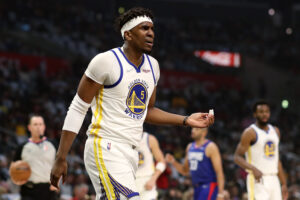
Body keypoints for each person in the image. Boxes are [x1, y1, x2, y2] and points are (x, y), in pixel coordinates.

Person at [50, 7, 214, 200]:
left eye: (152, 29)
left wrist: (186, 120)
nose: (151, 33)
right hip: (105, 146)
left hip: (131, 152)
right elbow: (78, 108)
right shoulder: (105, 61)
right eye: (144, 28)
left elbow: (148, 111)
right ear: (128, 34)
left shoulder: (153, 66)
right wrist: (61, 157)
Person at [233, 100, 288, 200]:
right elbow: (237, 157)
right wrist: (253, 169)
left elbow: (276, 160)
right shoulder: (250, 132)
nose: (264, 114)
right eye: (261, 112)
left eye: (267, 111)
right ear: (255, 114)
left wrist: (283, 183)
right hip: (258, 180)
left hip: (274, 179)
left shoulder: (275, 131)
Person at [166, 128, 225, 200]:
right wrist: (173, 162)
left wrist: (220, 194)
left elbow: (219, 172)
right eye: (192, 128)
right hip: (196, 187)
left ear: (204, 132)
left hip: (208, 185)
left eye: (196, 129)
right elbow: (185, 171)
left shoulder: (211, 147)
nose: (193, 130)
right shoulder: (190, 147)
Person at [10, 115, 57, 200]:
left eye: (40, 124)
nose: (38, 127)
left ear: (44, 127)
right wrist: (17, 178)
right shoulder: (22, 147)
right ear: (29, 127)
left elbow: (60, 166)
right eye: (35, 124)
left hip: (49, 190)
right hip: (28, 190)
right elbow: (13, 168)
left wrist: (57, 182)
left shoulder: (53, 145)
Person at [135, 132, 166, 200]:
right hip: (129, 182)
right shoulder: (123, 138)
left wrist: (153, 179)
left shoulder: (149, 139)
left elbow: (162, 162)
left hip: (146, 181)